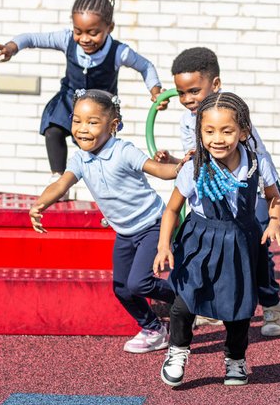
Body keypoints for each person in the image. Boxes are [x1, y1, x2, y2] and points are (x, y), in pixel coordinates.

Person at [29, 90, 179, 353]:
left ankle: (187, 300)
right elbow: (61, 184)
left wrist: (181, 168)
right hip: (125, 232)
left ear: (113, 125)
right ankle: (154, 329)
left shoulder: (123, 151)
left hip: (152, 224)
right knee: (122, 289)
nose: (82, 129)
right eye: (77, 121)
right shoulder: (80, 158)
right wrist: (40, 204)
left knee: (139, 283)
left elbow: (158, 170)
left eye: (92, 122)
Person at [154, 92, 280, 388]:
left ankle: (236, 358)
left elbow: (273, 197)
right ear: (199, 132)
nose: (217, 139)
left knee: (238, 308)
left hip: (241, 241)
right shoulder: (194, 167)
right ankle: (178, 350)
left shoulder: (256, 163)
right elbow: (172, 209)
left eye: (227, 131)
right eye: (209, 131)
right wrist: (164, 245)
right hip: (200, 239)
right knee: (184, 302)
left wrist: (274, 221)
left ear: (244, 131)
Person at [0, 0, 163, 179]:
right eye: (78, 32)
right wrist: (11, 48)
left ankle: (104, 180)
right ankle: (58, 177)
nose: (84, 39)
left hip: (101, 106)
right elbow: (31, 38)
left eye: (93, 33)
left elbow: (145, 66)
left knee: (96, 150)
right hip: (70, 98)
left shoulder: (119, 52)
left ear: (110, 27)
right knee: (53, 131)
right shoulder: (66, 39)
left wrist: (155, 91)